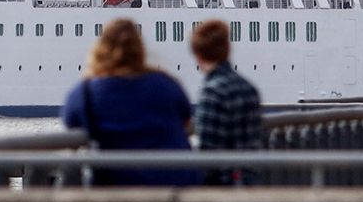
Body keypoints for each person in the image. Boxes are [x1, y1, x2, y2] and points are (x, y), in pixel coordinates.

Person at [61, 19, 198, 186]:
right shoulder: (167, 85)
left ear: (100, 50)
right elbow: (186, 117)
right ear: (140, 49)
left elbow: (70, 122)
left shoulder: (86, 94)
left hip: (119, 187)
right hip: (174, 186)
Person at [189, 18, 262, 184]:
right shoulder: (249, 88)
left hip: (223, 184)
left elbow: (207, 152)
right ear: (227, 49)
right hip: (249, 179)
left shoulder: (212, 91)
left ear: (198, 54)